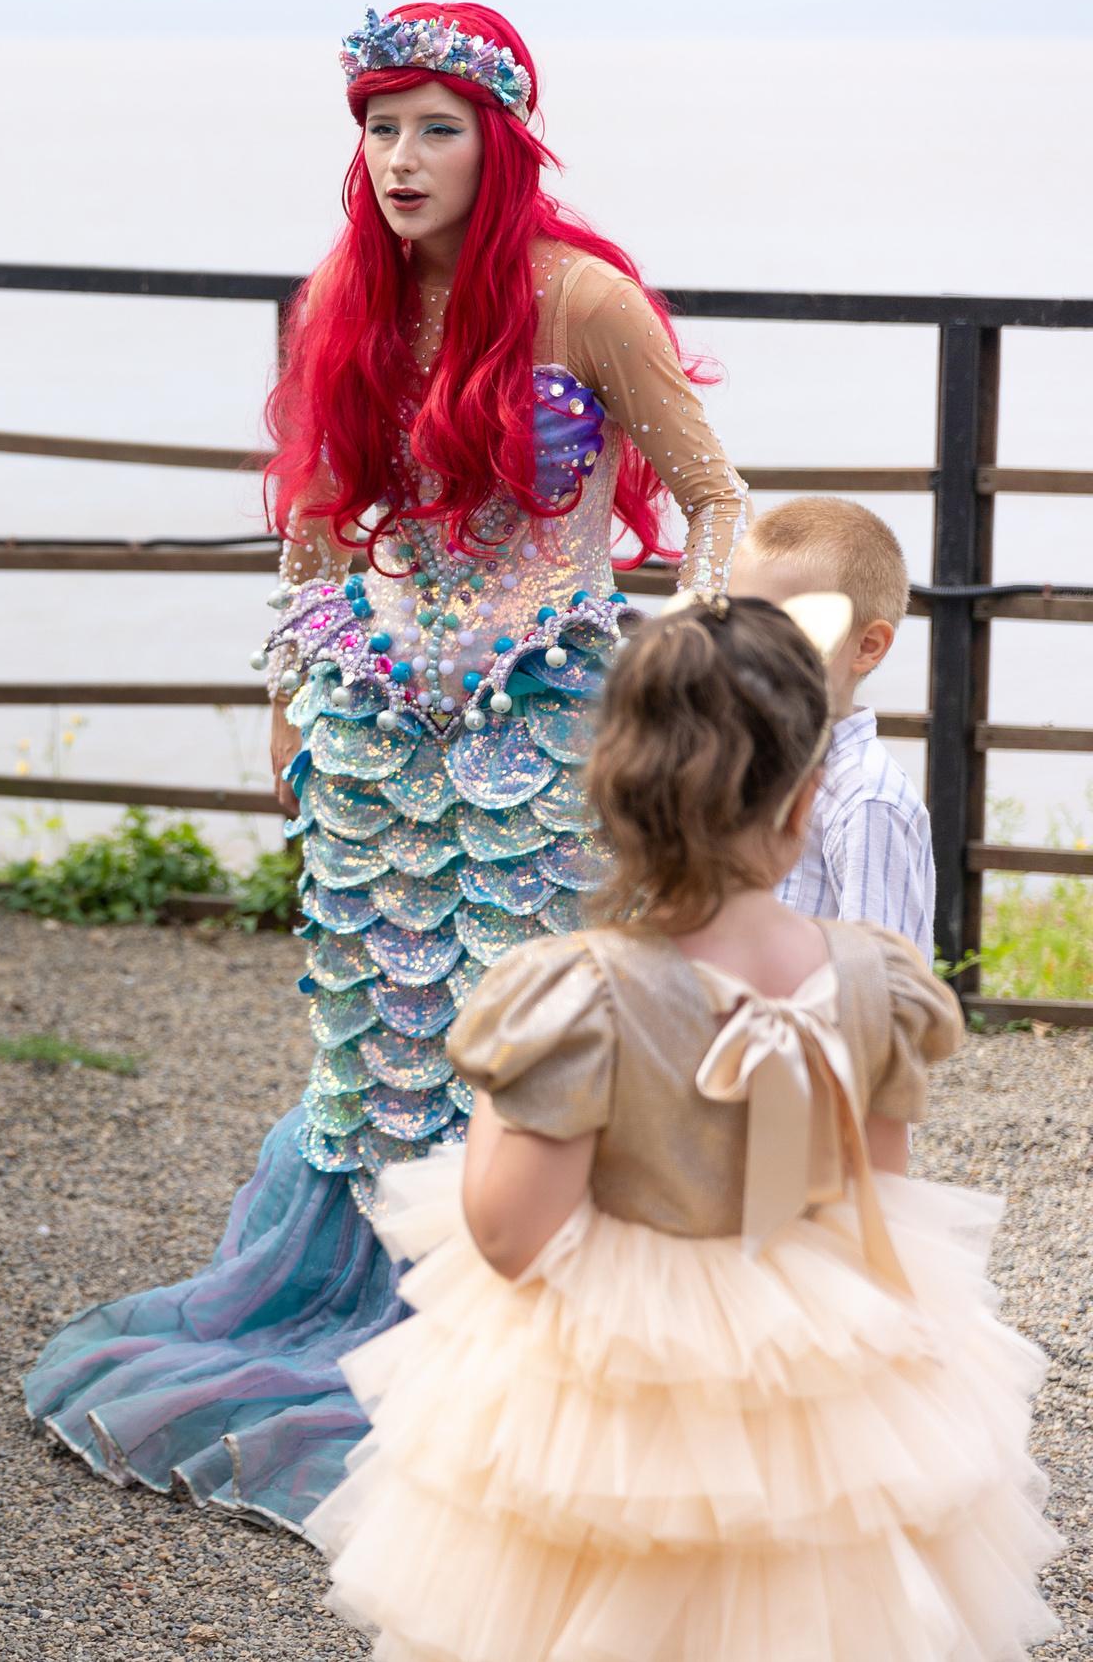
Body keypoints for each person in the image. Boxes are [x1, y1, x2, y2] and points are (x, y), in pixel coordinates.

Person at [24, 1, 754, 1533]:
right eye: (380, 125)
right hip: (372, 724)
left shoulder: (584, 298)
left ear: (503, 138)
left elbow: (715, 494)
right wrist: (295, 676)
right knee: (380, 1026)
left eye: (438, 125)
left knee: (534, 1020)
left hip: (541, 717)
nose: (403, 156)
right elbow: (314, 515)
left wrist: (684, 662)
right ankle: (385, 1308)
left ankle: (547, 1330)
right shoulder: (343, 294)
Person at [308, 595, 1058, 1662]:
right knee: (811, 1593)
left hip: (621, 1383)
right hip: (815, 1364)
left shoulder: (575, 998)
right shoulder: (872, 979)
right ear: (802, 801)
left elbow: (514, 1234)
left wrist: (499, 1093)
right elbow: (879, 1191)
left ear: (609, 791)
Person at [727, 497, 933, 946]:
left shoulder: (867, 799)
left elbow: (883, 983)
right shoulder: (743, 761)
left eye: (784, 630)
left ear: (867, 646)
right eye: (736, 621)